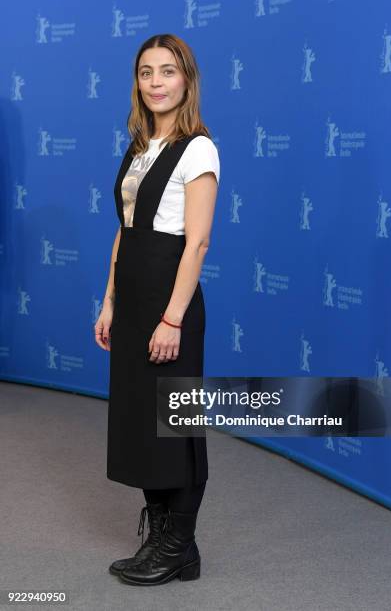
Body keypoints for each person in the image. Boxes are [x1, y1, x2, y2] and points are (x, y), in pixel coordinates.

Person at [94, 33, 220, 586]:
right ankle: (165, 542)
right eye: (146, 72)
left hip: (172, 299)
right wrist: (110, 302)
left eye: (167, 72)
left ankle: (180, 543)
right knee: (143, 422)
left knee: (177, 425)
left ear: (186, 79)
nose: (155, 83)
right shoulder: (138, 147)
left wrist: (172, 318)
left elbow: (195, 243)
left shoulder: (198, 149)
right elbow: (124, 233)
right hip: (134, 297)